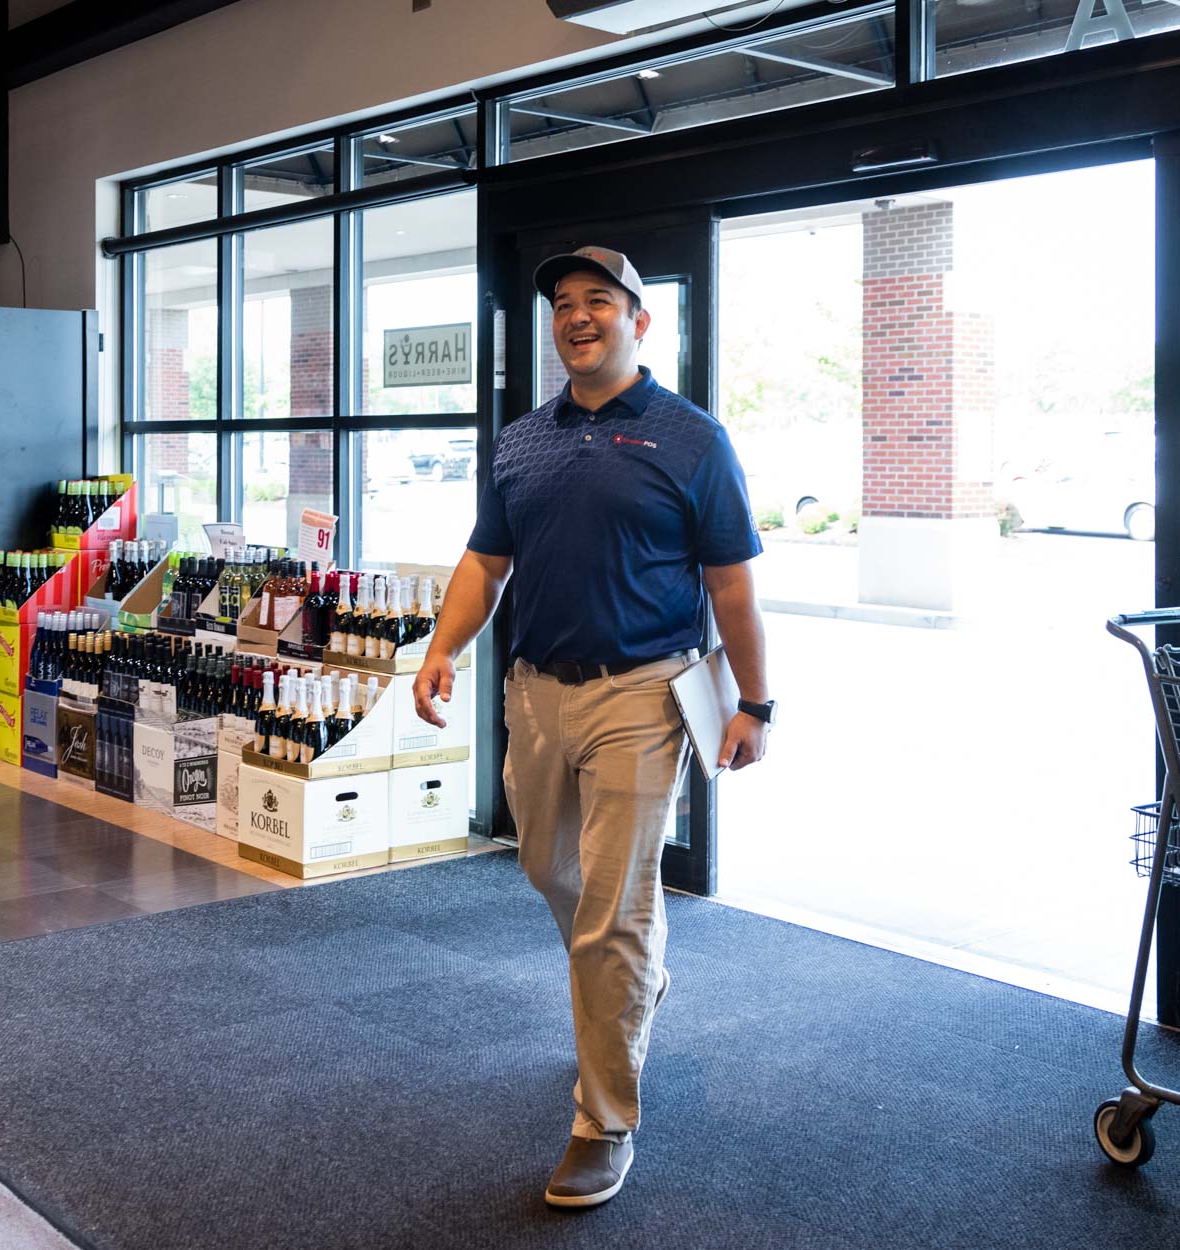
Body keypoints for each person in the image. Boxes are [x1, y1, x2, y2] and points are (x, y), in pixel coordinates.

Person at [411, 245, 773, 1209]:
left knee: (614, 910)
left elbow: (731, 580)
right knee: (550, 872)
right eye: (564, 304)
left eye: (598, 302)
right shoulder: (524, 438)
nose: (577, 317)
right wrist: (444, 645)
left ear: (639, 320)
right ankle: (634, 977)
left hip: (641, 695)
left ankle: (603, 1119)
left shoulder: (691, 438)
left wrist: (755, 700)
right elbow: (487, 562)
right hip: (534, 691)